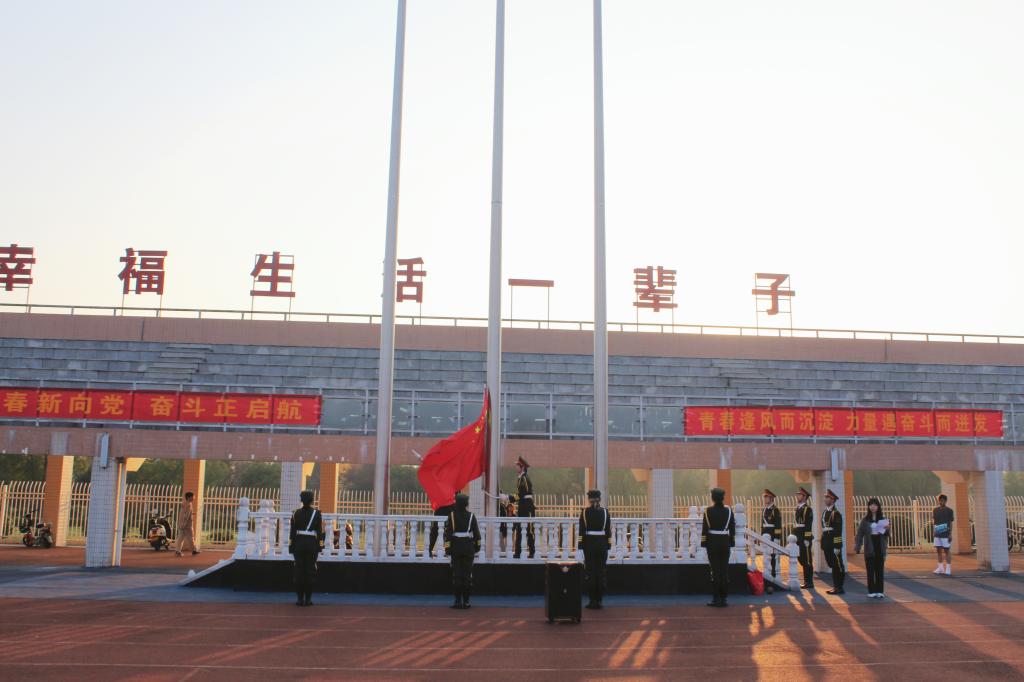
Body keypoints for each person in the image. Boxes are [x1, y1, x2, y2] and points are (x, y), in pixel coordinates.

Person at [443, 493, 481, 609]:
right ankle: (467, 601)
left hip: (456, 548)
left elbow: (448, 535)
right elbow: (477, 535)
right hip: (468, 548)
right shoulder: (471, 516)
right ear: (466, 504)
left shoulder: (451, 516)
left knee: (457, 575)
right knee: (467, 576)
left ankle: (457, 601)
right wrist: (477, 548)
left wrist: (447, 550)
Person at [701, 487, 735, 608]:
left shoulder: (708, 511)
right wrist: (731, 542)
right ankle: (724, 599)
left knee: (715, 572)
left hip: (712, 543)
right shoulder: (729, 511)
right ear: (723, 498)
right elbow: (732, 528)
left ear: (713, 498)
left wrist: (704, 543)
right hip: (725, 543)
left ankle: (716, 599)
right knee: (724, 571)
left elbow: (705, 529)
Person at [289, 489, 324, 606]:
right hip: (311, 545)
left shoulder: (295, 513)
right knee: (310, 572)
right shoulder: (317, 513)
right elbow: (319, 532)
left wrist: (291, 546)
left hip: (298, 544)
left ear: (301, 500)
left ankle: (299, 599)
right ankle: (308, 600)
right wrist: (320, 546)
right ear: (312, 500)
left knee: (299, 572)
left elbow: (292, 532)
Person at [578, 489, 612, 609]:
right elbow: (608, 531)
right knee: (601, 572)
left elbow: (582, 531)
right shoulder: (605, 512)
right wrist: (608, 545)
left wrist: (580, 546)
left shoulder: (584, 513)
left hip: (589, 545)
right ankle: (599, 600)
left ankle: (592, 600)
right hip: (602, 545)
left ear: (589, 500)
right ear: (599, 499)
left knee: (591, 573)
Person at [854, 497, 890, 598]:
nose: (873, 507)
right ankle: (871, 591)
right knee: (870, 571)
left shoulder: (883, 519)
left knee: (879, 570)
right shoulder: (865, 520)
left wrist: (887, 529)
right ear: (868, 507)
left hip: (880, 545)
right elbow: (860, 534)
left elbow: (887, 534)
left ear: (878, 507)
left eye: (875, 505)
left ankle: (880, 591)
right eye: (871, 505)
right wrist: (858, 546)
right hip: (869, 546)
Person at [820, 489, 845, 595]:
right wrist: (822, 543)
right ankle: (835, 586)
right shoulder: (825, 512)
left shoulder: (836, 513)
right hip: (827, 542)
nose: (825, 499)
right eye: (825, 497)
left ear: (833, 499)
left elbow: (838, 531)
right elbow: (824, 529)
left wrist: (837, 546)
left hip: (833, 543)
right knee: (832, 564)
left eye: (827, 497)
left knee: (837, 565)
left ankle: (839, 587)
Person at [510, 456, 536, 559]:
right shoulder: (521, 478)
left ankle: (532, 552)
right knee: (519, 528)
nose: (516, 467)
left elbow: (521, 494)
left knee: (529, 529)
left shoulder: (524, 478)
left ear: (522, 467)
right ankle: (517, 552)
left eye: (518, 466)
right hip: (523, 505)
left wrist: (509, 498)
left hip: (527, 506)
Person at [760, 488, 783, 593]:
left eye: (766, 497)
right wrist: (761, 537)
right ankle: (768, 576)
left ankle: (773, 576)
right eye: (764, 497)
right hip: (765, 535)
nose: (764, 498)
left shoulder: (775, 510)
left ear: (771, 498)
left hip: (772, 536)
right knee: (766, 557)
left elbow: (778, 525)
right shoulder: (764, 509)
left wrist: (777, 538)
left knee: (773, 557)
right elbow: (762, 525)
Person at [793, 487, 814, 589]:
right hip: (798, 536)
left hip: (804, 537)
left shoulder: (807, 509)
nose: (797, 496)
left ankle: (809, 582)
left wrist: (807, 538)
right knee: (801, 558)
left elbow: (808, 524)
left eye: (799, 495)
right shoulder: (798, 508)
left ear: (805, 497)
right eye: (797, 495)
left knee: (807, 560)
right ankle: (806, 581)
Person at [933, 494, 955, 575]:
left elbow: (951, 523)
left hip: (946, 533)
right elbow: (935, 522)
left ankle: (948, 569)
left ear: (945, 501)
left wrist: (950, 534)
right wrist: (934, 531)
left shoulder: (949, 510)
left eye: (942, 500)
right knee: (938, 550)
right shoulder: (935, 510)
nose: (941, 502)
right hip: (937, 533)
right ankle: (940, 568)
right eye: (940, 500)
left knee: (947, 550)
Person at [175, 491, 199, 557]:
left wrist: (191, 513)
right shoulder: (188, 504)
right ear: (189, 497)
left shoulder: (184, 503)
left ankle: (177, 550)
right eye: (193, 496)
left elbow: (185, 513)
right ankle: (194, 550)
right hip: (187, 525)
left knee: (180, 538)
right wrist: (184, 524)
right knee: (190, 538)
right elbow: (186, 515)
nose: (194, 497)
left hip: (182, 524)